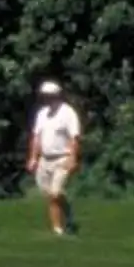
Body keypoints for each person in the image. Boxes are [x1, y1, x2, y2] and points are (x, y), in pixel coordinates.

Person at [29, 81, 82, 236]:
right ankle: (68, 215)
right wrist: (33, 157)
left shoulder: (68, 113)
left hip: (62, 158)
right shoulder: (42, 114)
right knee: (50, 195)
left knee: (55, 193)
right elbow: (36, 137)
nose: (46, 98)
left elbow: (74, 138)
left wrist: (72, 157)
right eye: (44, 96)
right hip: (45, 160)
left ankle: (58, 229)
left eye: (49, 95)